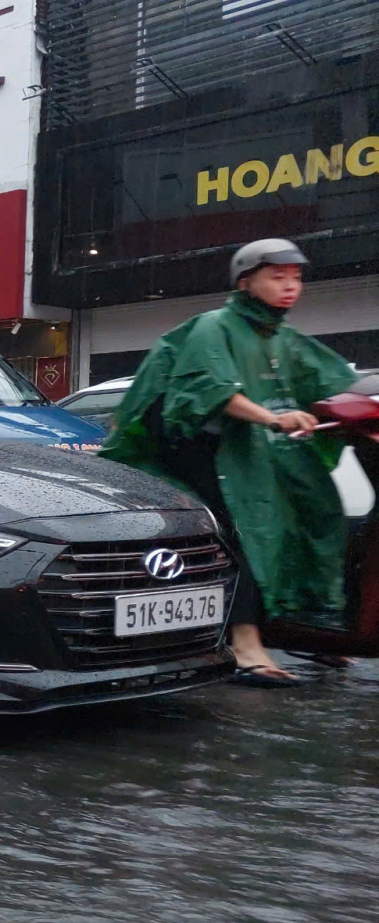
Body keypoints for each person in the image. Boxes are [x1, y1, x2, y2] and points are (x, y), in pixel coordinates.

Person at [100, 237, 358, 687]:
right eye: (277, 277)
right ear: (246, 281)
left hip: (251, 454)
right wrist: (274, 418)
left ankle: (303, 627)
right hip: (187, 455)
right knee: (248, 527)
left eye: (296, 278)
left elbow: (336, 383)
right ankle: (244, 642)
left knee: (318, 510)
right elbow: (209, 390)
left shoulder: (284, 339)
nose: (290, 286)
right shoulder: (213, 326)